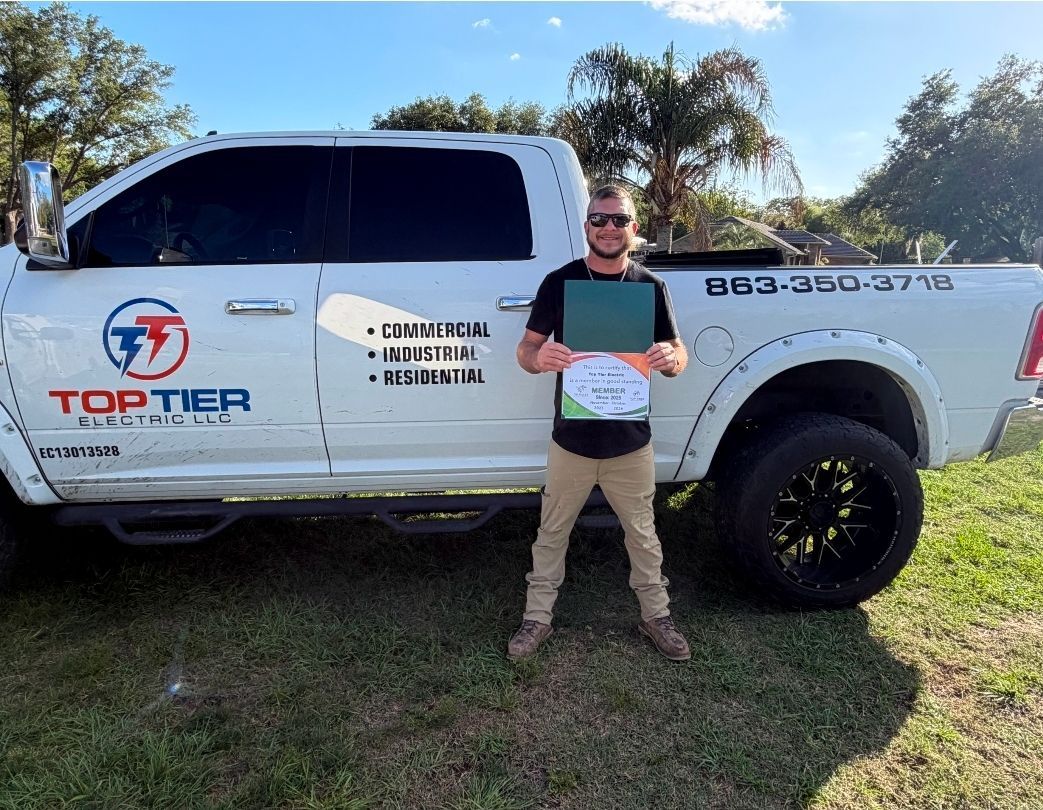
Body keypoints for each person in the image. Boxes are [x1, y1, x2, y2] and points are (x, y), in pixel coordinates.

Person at [507, 185, 691, 662]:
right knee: (552, 533)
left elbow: (679, 354)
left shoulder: (650, 286)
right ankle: (536, 620)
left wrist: (671, 358)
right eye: (599, 219)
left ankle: (656, 616)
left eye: (618, 220)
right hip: (572, 441)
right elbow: (525, 351)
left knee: (643, 534)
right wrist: (538, 357)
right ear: (587, 225)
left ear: (634, 227)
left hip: (630, 442)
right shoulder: (560, 282)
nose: (608, 228)